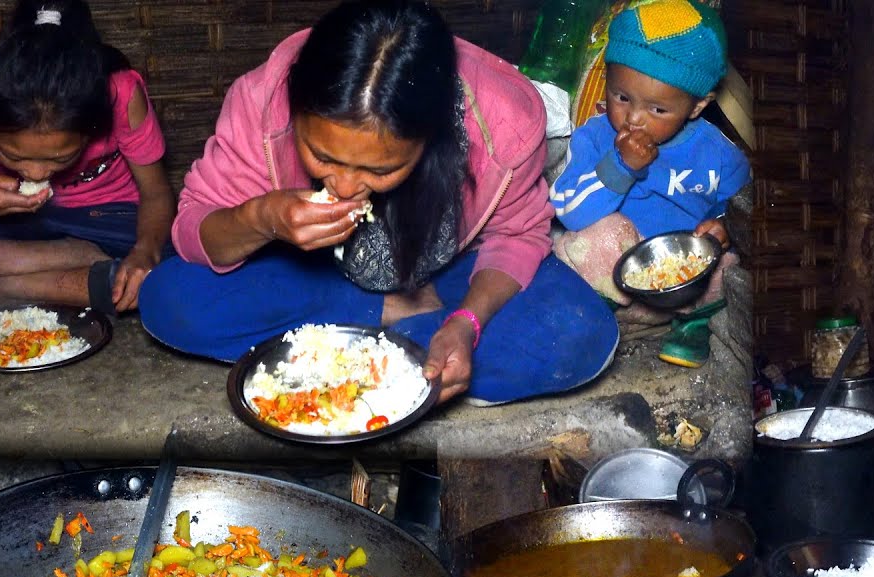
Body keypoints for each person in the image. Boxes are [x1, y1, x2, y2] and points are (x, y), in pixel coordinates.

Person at [137, 0, 619, 406]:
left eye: (380, 169)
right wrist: (262, 217)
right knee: (169, 298)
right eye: (322, 157)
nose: (346, 187)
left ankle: (345, 360)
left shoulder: (503, 124)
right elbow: (194, 227)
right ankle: (395, 347)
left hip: (450, 275)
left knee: (580, 334)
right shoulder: (263, 99)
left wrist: (467, 323)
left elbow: (518, 235)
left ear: (431, 139)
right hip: (313, 277)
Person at [0, 0, 173, 319]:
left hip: (104, 216)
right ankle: (73, 262)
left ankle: (0, 286)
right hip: (0, 220)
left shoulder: (118, 94)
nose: (36, 173)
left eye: (61, 158)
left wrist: (144, 253)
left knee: (171, 269)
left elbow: (157, 194)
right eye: (12, 155)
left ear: (90, 127)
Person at [548, 0, 750, 367]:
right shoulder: (594, 138)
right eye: (621, 97)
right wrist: (621, 167)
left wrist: (723, 230)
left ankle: (691, 326)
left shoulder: (721, 156)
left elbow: (739, 213)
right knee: (589, 238)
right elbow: (569, 212)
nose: (635, 118)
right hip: (607, 286)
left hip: (681, 290)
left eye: (657, 109)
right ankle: (595, 324)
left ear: (697, 106)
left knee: (730, 266)